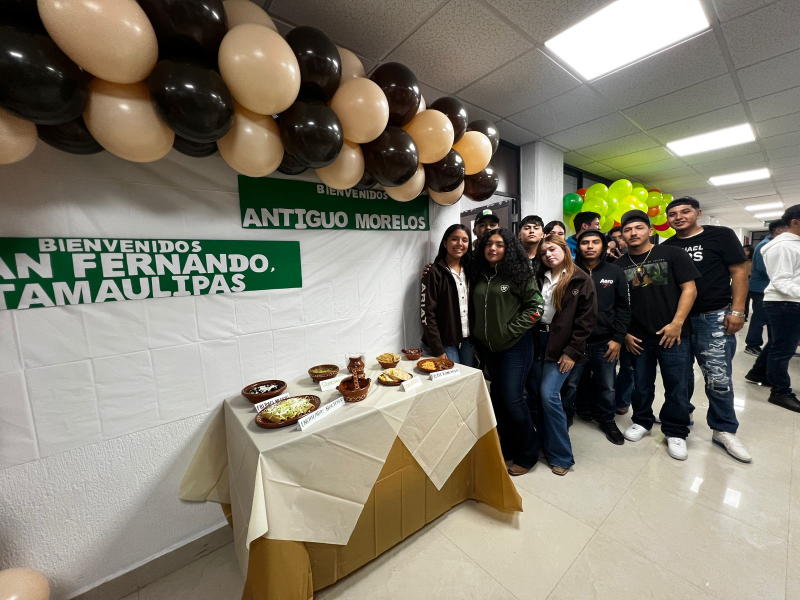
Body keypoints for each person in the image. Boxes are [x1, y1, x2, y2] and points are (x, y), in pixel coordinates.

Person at [664, 197, 751, 463]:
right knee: (678, 377)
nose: (678, 217)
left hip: (713, 316)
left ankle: (724, 429)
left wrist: (737, 310)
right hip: (678, 320)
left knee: (718, 376)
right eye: (672, 214)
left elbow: (739, 272)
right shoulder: (667, 246)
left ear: (698, 213)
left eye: (685, 211)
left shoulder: (720, 236)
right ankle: (679, 422)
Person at [615, 210, 700, 461]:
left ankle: (676, 431)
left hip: (673, 334)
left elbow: (690, 289)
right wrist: (625, 334)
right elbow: (617, 305)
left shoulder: (672, 254)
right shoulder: (618, 266)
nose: (633, 233)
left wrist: (677, 323)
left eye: (639, 227)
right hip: (637, 337)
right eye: (627, 230)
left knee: (677, 385)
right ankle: (642, 421)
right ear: (622, 236)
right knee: (641, 385)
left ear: (650, 231)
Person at [469, 229, 544, 476]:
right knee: (499, 399)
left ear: (508, 248)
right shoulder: (479, 274)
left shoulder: (519, 273)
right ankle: (508, 446)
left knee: (513, 399)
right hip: (489, 349)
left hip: (516, 347)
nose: (493, 248)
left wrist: (510, 330)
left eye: (499, 245)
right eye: (489, 244)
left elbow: (536, 307)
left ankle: (529, 453)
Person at [531, 234, 597, 475]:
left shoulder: (580, 279)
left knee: (549, 395)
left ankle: (562, 455)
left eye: (552, 249)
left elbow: (586, 321)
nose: (548, 255)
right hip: (537, 341)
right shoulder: (539, 276)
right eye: (543, 252)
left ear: (564, 249)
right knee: (536, 397)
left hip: (562, 345)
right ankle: (542, 444)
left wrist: (571, 352)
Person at [561, 229, 631, 445]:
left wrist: (618, 338)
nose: (590, 246)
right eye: (585, 242)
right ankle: (566, 415)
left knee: (607, 385)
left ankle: (607, 419)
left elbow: (623, 307)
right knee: (570, 384)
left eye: (595, 242)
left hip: (605, 341)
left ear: (603, 246)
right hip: (575, 342)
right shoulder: (569, 271)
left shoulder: (615, 271)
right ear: (578, 247)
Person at [748, 205, 800, 412]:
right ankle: (780, 391)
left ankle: (758, 373)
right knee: (783, 349)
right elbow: (780, 280)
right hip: (784, 302)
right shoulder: (783, 246)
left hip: (789, 301)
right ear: (794, 222)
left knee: (778, 343)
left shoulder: (792, 244)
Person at [420, 224, 474, 366]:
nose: (460, 244)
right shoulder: (433, 272)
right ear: (445, 243)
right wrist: (437, 349)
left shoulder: (471, 270)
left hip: (469, 340)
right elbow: (427, 313)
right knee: (453, 378)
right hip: (445, 342)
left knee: (468, 377)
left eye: (465, 240)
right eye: (454, 239)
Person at [745, 220, 789, 355]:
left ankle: (773, 346)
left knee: (771, 319)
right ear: (779, 231)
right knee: (760, 318)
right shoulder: (766, 245)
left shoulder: (774, 244)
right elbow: (763, 268)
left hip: (767, 288)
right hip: (761, 289)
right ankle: (752, 345)